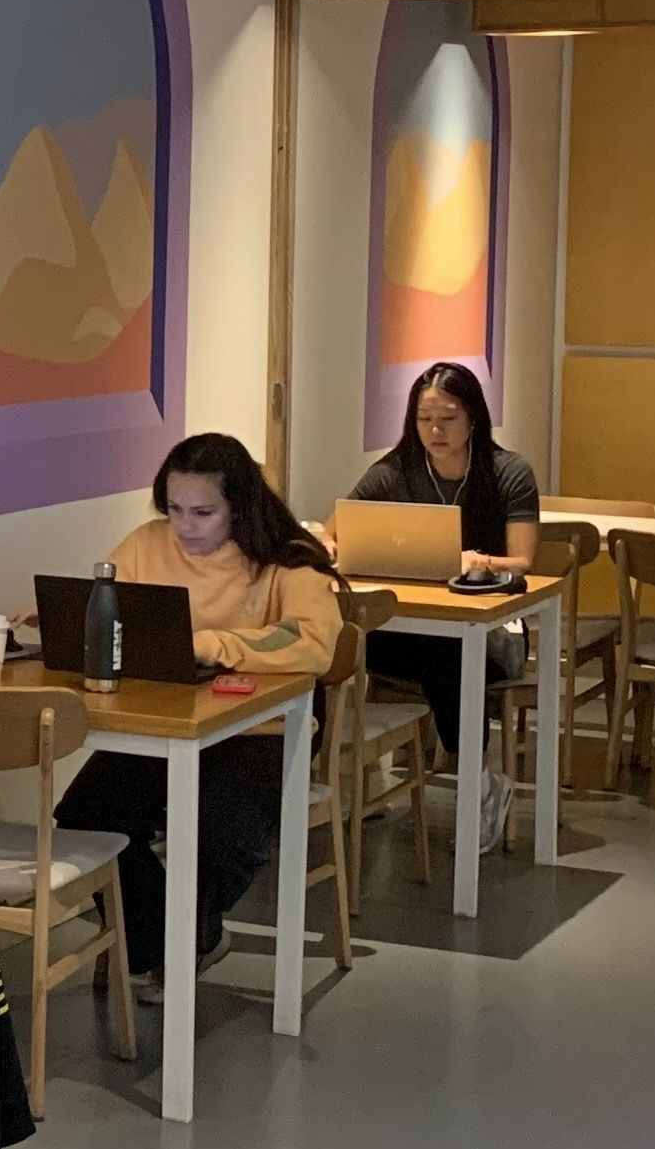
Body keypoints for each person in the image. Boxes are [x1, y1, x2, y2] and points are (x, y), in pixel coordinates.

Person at [54, 431, 343, 979]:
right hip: (162, 728)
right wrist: (61, 624)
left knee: (219, 835)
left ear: (240, 506)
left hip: (259, 731)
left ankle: (178, 940)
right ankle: (169, 940)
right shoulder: (147, 544)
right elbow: (109, 609)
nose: (185, 527)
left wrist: (212, 644)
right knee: (83, 818)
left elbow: (312, 644)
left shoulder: (287, 560)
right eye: (175, 509)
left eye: (203, 512)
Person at [344, 360, 543, 848]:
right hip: (414, 628)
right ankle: (344, 777)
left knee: (449, 656)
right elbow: (342, 532)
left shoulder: (507, 472)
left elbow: (523, 558)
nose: (434, 429)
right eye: (423, 418)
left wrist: (476, 560)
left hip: (495, 633)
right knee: (340, 641)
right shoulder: (394, 473)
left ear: (474, 417)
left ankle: (478, 787)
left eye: (448, 418)